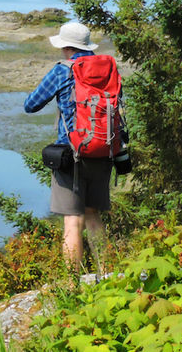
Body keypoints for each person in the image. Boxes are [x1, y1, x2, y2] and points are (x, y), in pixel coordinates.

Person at [24, 21, 112, 273]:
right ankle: (107, 275)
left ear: (67, 47)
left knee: (73, 221)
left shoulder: (62, 70)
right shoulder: (106, 67)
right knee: (93, 215)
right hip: (103, 151)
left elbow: (31, 104)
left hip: (72, 153)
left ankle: (73, 283)